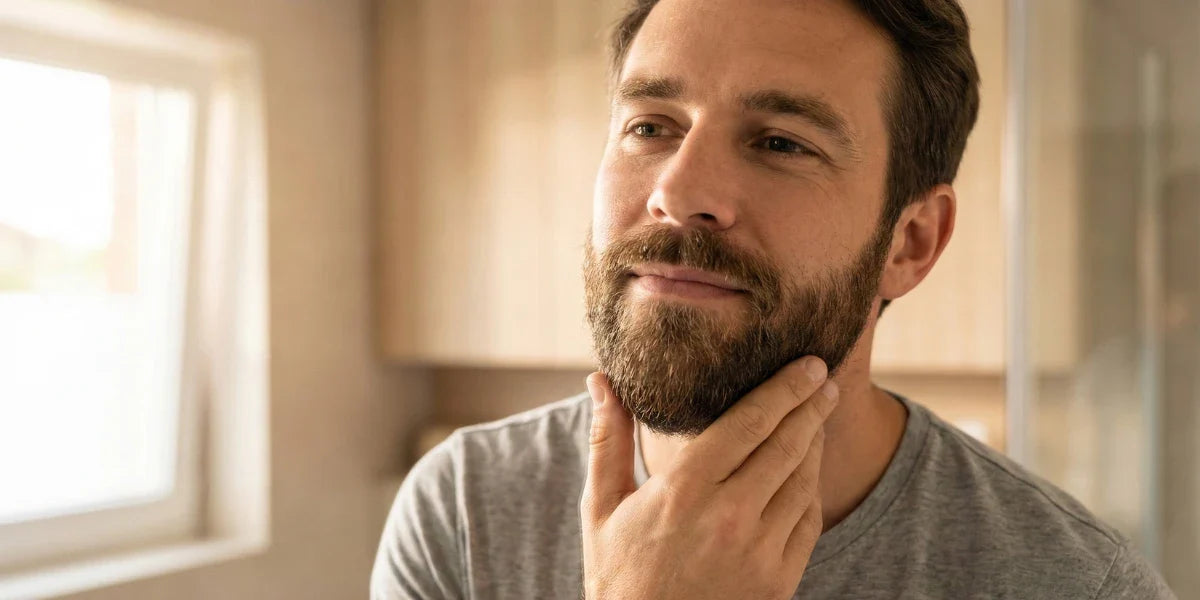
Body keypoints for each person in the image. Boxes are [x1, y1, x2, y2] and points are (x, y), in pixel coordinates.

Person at [371, 0, 1177, 597]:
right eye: (650, 126)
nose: (679, 192)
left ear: (911, 242)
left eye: (782, 143)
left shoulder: (1076, 584)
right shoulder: (465, 510)